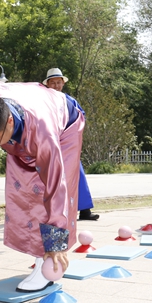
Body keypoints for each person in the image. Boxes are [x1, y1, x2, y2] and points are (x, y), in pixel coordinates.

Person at [0, 82, 84, 293]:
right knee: (21, 190)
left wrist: (55, 242)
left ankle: (47, 261)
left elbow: (56, 185)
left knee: (43, 192)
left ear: (9, 121)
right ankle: (38, 253)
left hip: (65, 126)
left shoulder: (44, 133)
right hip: (23, 123)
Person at [43, 68, 99, 221]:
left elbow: (81, 117)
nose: (56, 85)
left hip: (69, 143)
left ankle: (85, 210)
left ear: (63, 83)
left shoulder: (70, 100)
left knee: (78, 174)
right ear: (47, 84)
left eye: (59, 82)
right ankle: (53, 212)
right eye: (53, 82)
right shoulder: (42, 101)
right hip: (50, 144)